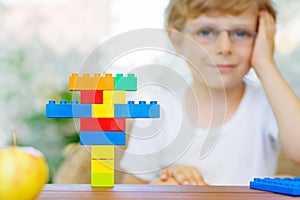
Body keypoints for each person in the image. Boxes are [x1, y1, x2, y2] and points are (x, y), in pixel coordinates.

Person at [120, 0, 300, 186]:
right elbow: (131, 188)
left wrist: (265, 63)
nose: (224, 48)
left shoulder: (269, 102)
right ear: (176, 40)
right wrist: (159, 189)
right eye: (205, 32)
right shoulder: (159, 112)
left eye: (241, 33)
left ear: (263, 37)